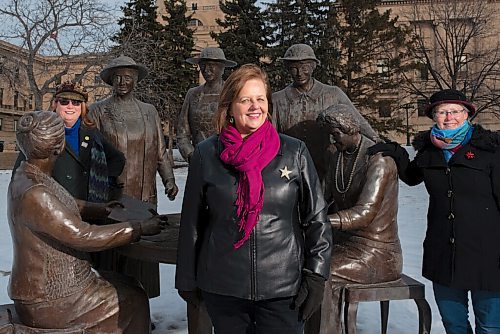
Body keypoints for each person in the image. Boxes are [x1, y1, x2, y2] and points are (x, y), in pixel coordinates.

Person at [175, 64, 332, 334]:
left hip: (283, 289)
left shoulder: (294, 152)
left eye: (260, 99)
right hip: (224, 288)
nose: (254, 107)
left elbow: (317, 219)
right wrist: (187, 279)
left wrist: (316, 275)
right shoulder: (206, 154)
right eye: (245, 99)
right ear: (230, 106)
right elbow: (192, 222)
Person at [7, 110, 163, 333]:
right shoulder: (36, 192)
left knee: (128, 284)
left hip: (42, 289)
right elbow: (83, 236)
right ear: (59, 147)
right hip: (50, 298)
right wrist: (136, 228)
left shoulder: (27, 175)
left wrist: (99, 209)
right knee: (135, 298)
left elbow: (61, 203)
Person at [368, 89, 500, 333]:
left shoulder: (489, 150)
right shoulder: (429, 151)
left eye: (456, 111)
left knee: (490, 326)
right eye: (441, 112)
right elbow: (412, 176)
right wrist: (396, 152)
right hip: (444, 254)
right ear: (434, 116)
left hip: (488, 256)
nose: (449, 117)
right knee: (454, 323)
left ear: (467, 114)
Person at [306, 105, 402, 333]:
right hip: (345, 242)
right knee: (306, 259)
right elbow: (322, 195)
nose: (331, 139)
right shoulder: (338, 156)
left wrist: (324, 222)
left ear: (351, 130)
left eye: (336, 133)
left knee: (324, 272)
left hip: (377, 252)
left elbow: (365, 213)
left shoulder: (379, 161)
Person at [89, 55, 179, 299]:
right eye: (117, 77)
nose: (121, 81)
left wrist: (169, 179)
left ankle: (141, 312)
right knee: (115, 253)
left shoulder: (149, 112)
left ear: (136, 80)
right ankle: (112, 311)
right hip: (114, 197)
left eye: (127, 77)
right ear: (109, 80)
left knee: (144, 252)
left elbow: (159, 149)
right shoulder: (98, 111)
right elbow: (92, 154)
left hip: (145, 194)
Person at [12, 81, 126, 219]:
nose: (70, 106)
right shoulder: (41, 133)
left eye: (76, 102)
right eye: (64, 101)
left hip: (92, 210)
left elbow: (117, 158)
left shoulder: (91, 132)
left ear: (82, 107)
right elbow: (20, 175)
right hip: (57, 212)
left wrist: (103, 181)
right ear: (55, 105)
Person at [271, 43, 379, 180]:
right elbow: (270, 137)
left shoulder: (333, 94)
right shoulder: (277, 99)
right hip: (289, 171)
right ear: (287, 69)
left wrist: (377, 142)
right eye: (294, 68)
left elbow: (358, 122)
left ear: (314, 66)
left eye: (305, 67)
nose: (299, 73)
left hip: (328, 170)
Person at [177, 47, 237, 163]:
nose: (206, 70)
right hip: (199, 162)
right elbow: (182, 132)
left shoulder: (232, 94)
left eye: (211, 65)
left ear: (222, 68)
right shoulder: (192, 94)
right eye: (203, 65)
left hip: (227, 163)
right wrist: (191, 155)